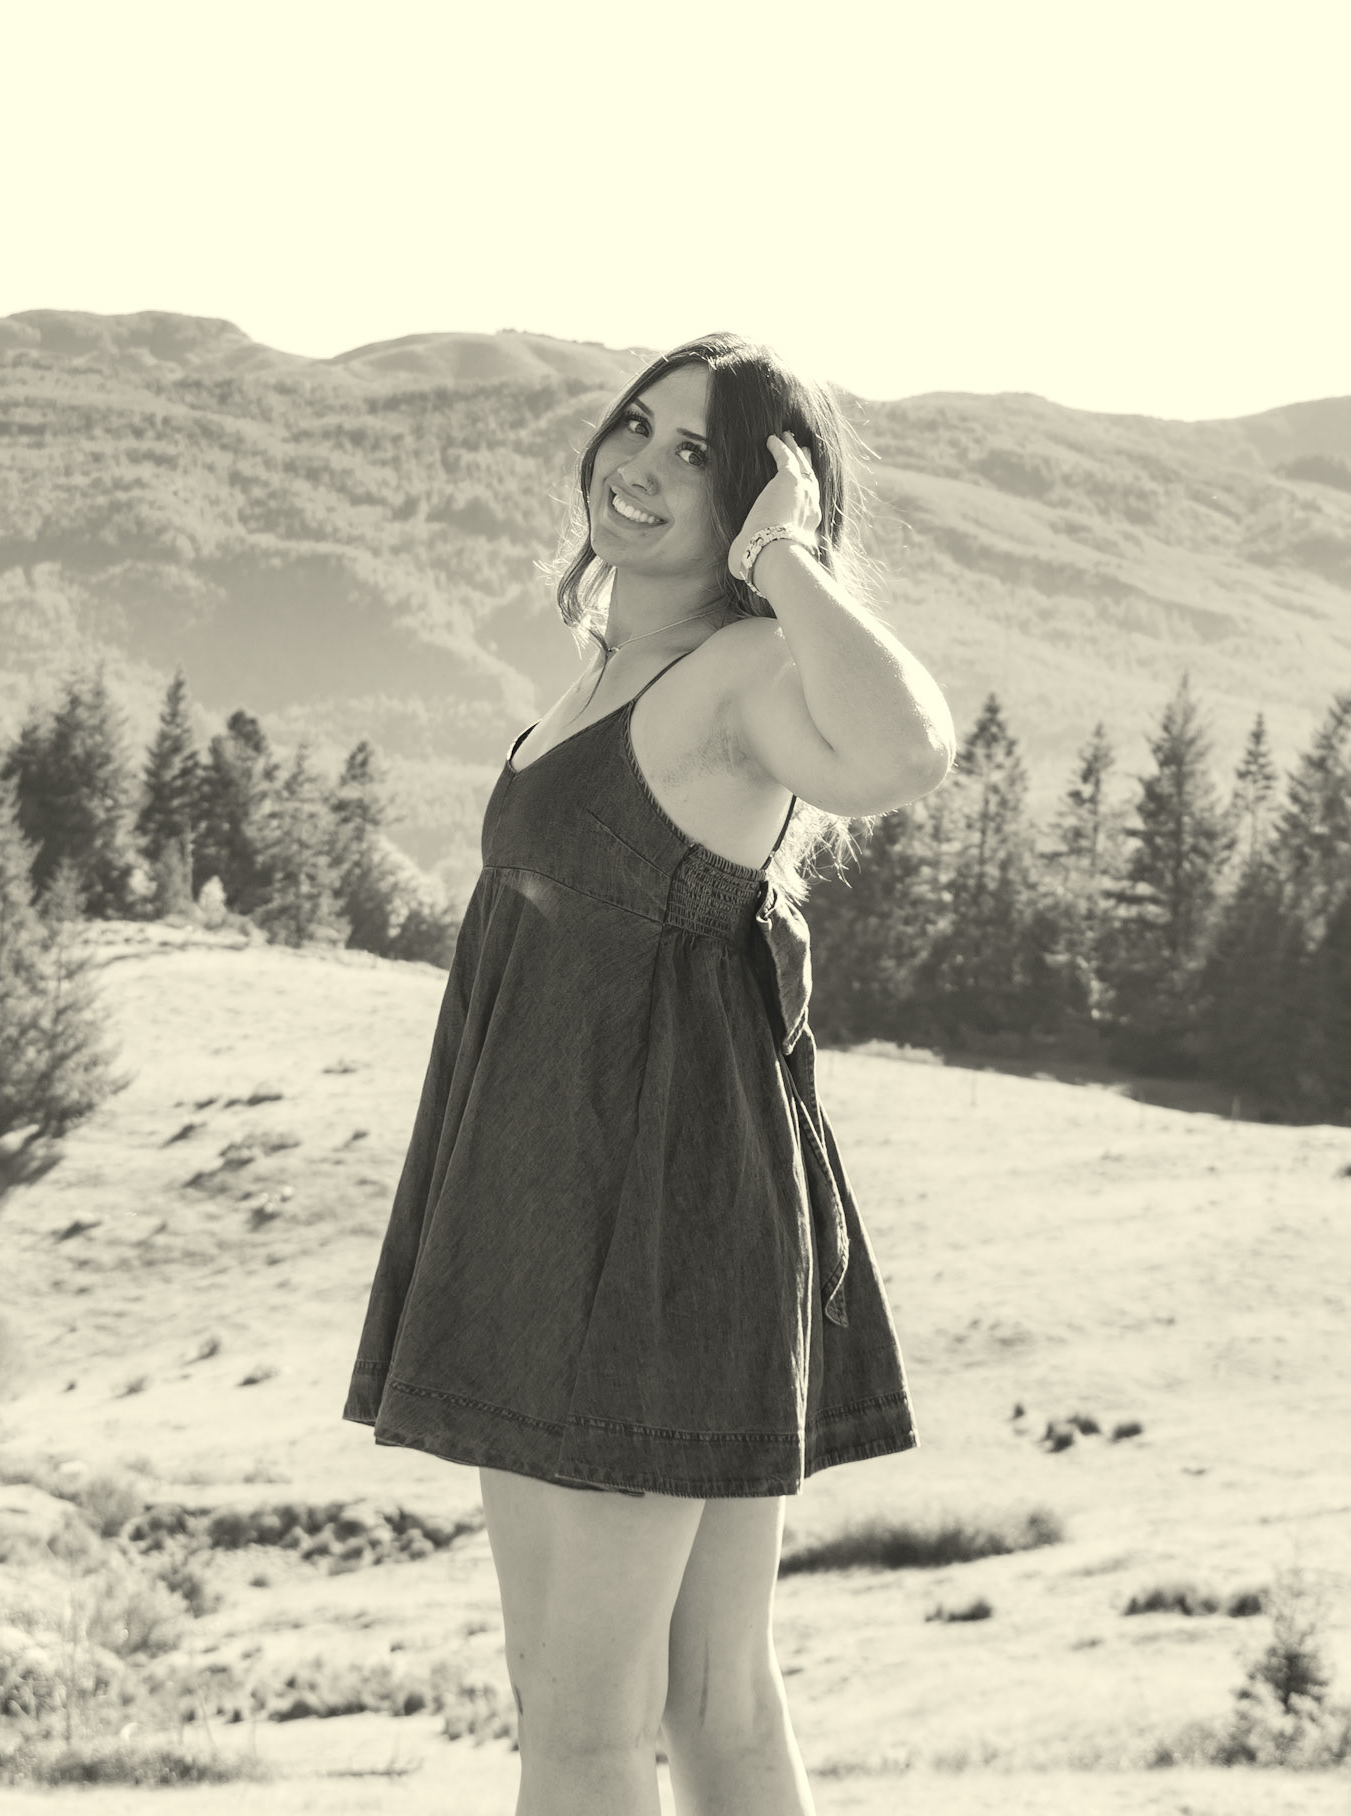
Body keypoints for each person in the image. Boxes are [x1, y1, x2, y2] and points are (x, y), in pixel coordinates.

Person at [343, 332, 955, 1815]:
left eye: (698, 452)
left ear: (752, 498)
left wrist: (789, 562)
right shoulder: (607, 672)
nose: (643, 466)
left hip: (646, 1236)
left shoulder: (741, 668)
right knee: (709, 1700)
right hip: (566, 1213)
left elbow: (904, 754)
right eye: (636, 425)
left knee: (582, 1720)